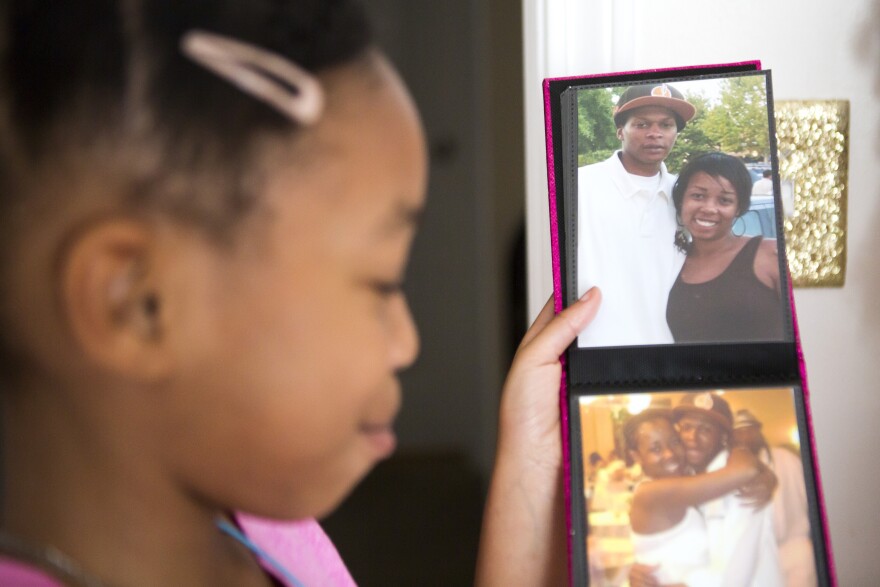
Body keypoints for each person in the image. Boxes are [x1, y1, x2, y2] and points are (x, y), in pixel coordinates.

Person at [0, 2, 602, 585]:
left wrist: (533, 459)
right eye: (382, 284)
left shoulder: (265, 533)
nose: (406, 343)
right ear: (138, 304)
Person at [576, 84, 695, 347]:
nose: (655, 134)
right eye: (642, 124)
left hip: (665, 355)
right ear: (620, 130)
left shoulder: (686, 196)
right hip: (591, 352)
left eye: (666, 125)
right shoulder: (579, 186)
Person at [630, 393, 784, 587]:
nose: (692, 437)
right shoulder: (689, 479)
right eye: (686, 427)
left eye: (706, 429)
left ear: (724, 438)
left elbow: (732, 580)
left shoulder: (744, 487)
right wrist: (647, 570)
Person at [666, 152, 784, 343]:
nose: (709, 208)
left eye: (724, 200)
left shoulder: (770, 255)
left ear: (739, 208)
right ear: (681, 201)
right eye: (698, 196)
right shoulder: (670, 263)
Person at [733, 410, 817, 587]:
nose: (745, 436)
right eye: (739, 431)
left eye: (749, 430)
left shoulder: (785, 458)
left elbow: (811, 500)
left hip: (794, 549)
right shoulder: (731, 467)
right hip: (757, 558)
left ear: (758, 431)